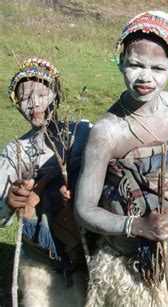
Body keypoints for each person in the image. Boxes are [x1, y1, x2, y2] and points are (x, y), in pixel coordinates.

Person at [74, 11, 168, 306]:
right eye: (135, 64)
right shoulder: (107, 132)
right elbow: (84, 209)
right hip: (133, 271)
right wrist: (138, 226)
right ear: (120, 61)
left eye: (157, 68)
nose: (145, 77)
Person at [1, 57, 91, 306]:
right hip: (40, 259)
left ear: (56, 95)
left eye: (41, 93)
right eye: (25, 97)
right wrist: (11, 201)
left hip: (85, 254)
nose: (34, 103)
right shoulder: (14, 151)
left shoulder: (82, 133)